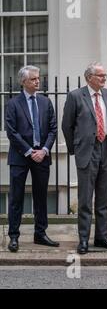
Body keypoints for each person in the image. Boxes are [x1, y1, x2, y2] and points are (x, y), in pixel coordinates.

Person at [62, 62, 107, 255]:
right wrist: (75, 149)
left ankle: (102, 237)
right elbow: (67, 125)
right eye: (100, 75)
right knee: (85, 199)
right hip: (87, 150)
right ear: (89, 78)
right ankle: (84, 239)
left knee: (104, 199)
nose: (104, 78)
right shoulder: (76, 96)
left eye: (105, 75)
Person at [5, 65, 59, 252]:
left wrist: (43, 150)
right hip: (20, 157)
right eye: (34, 79)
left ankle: (40, 234)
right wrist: (29, 151)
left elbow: (53, 129)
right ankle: (13, 236)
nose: (38, 81)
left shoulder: (45, 102)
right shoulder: (12, 103)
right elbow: (11, 132)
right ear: (23, 82)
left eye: (38, 78)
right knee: (16, 198)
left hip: (42, 156)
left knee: (41, 196)